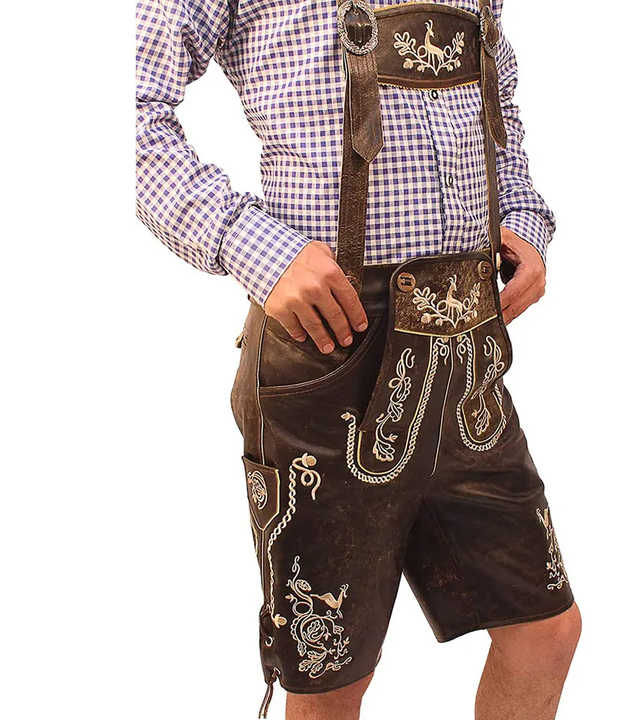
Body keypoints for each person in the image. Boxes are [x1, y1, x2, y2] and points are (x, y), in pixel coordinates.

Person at [136, 1, 581, 718]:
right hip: (329, 350)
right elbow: (129, 106)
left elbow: (497, 89)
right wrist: (253, 246)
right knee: (331, 676)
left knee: (546, 629)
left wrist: (523, 217)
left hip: (468, 348)